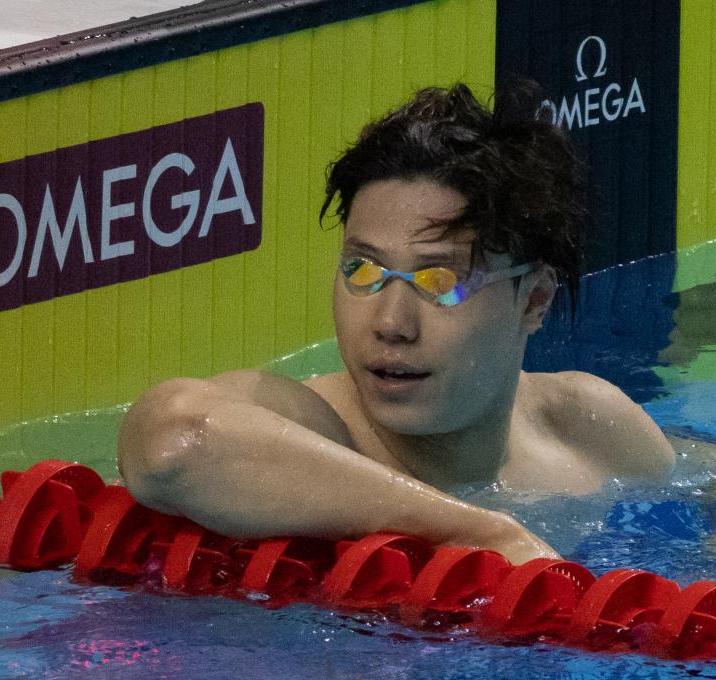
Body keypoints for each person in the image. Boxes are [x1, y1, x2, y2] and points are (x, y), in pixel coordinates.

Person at [117, 83, 675, 564]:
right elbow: (173, 441)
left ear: (535, 300)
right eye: (363, 271)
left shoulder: (588, 429)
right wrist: (479, 532)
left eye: (438, 280)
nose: (391, 324)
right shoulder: (314, 428)